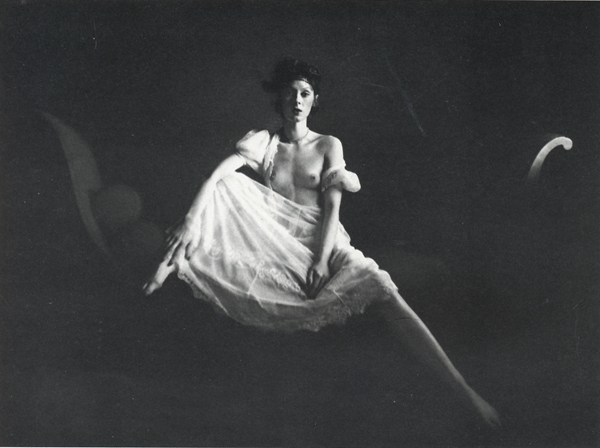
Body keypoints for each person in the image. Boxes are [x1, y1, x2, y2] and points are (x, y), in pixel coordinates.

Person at [143, 58, 500, 427]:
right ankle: (173, 261)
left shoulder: (329, 145)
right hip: (278, 241)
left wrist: (321, 258)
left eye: (305, 94)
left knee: (383, 289)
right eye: (289, 94)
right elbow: (215, 175)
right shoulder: (265, 143)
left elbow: (332, 209)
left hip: (323, 241)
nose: (297, 101)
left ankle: (464, 391)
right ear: (279, 100)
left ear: (314, 100)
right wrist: (189, 222)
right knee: (225, 184)